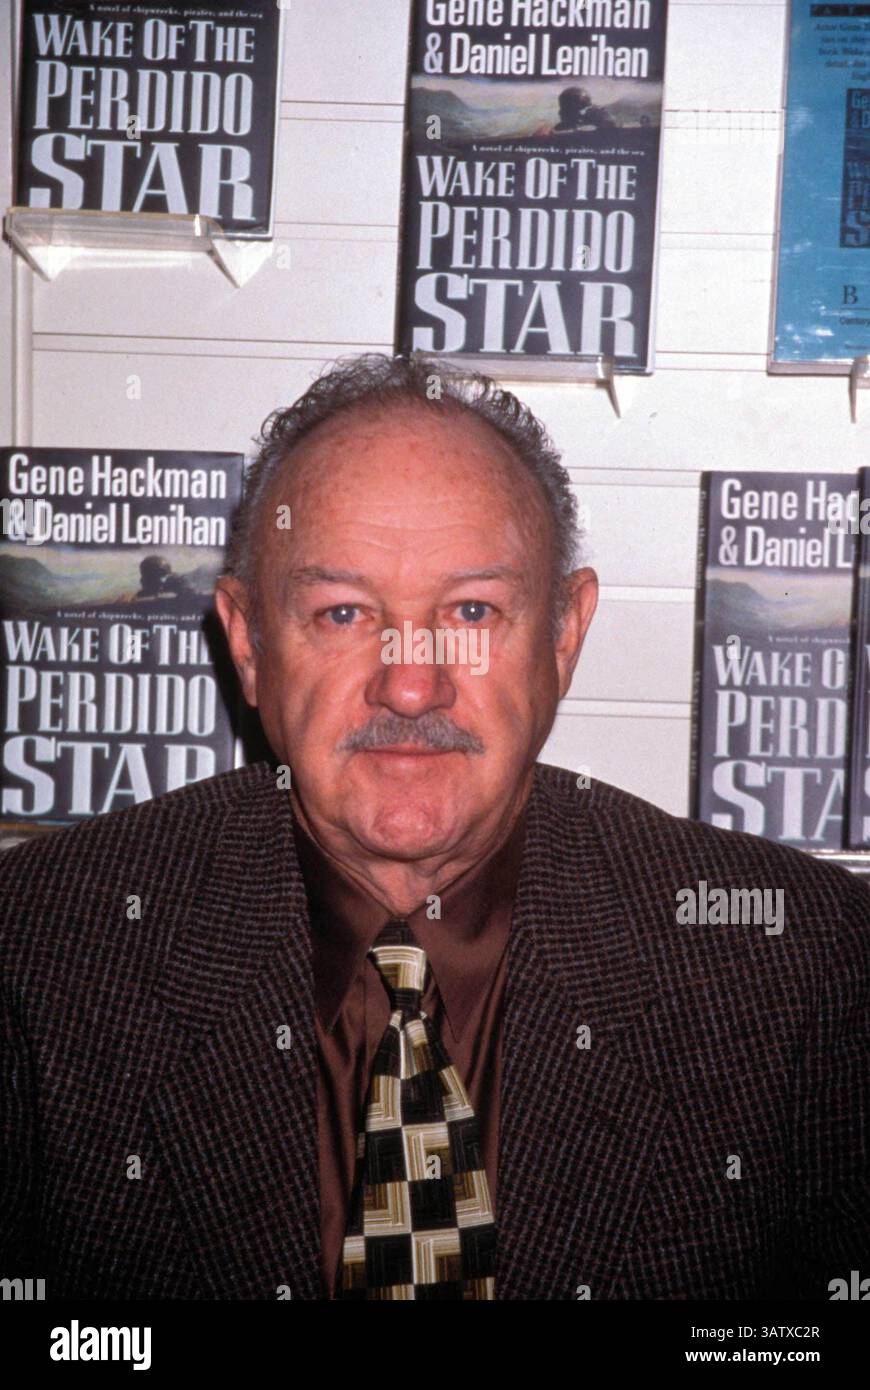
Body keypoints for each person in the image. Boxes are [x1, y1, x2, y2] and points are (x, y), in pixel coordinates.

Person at [1, 353, 867, 1301]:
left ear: (565, 637)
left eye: (469, 610)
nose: (411, 682)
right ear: (247, 644)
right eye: (342, 612)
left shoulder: (809, 972)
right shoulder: (38, 954)